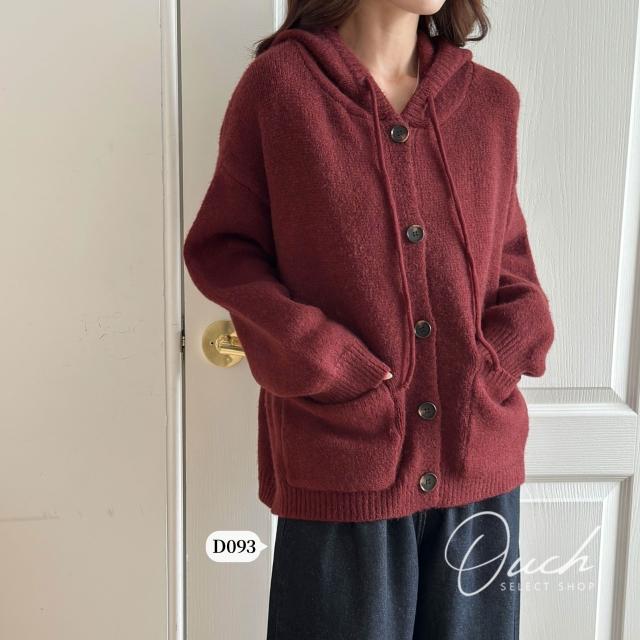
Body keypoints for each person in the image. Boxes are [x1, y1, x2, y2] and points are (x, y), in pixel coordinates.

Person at [183, 1, 555, 638]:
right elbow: (224, 252)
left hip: (477, 467)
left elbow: (511, 265)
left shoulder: (491, 103)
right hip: (344, 458)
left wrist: (493, 364)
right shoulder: (281, 90)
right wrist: (328, 363)